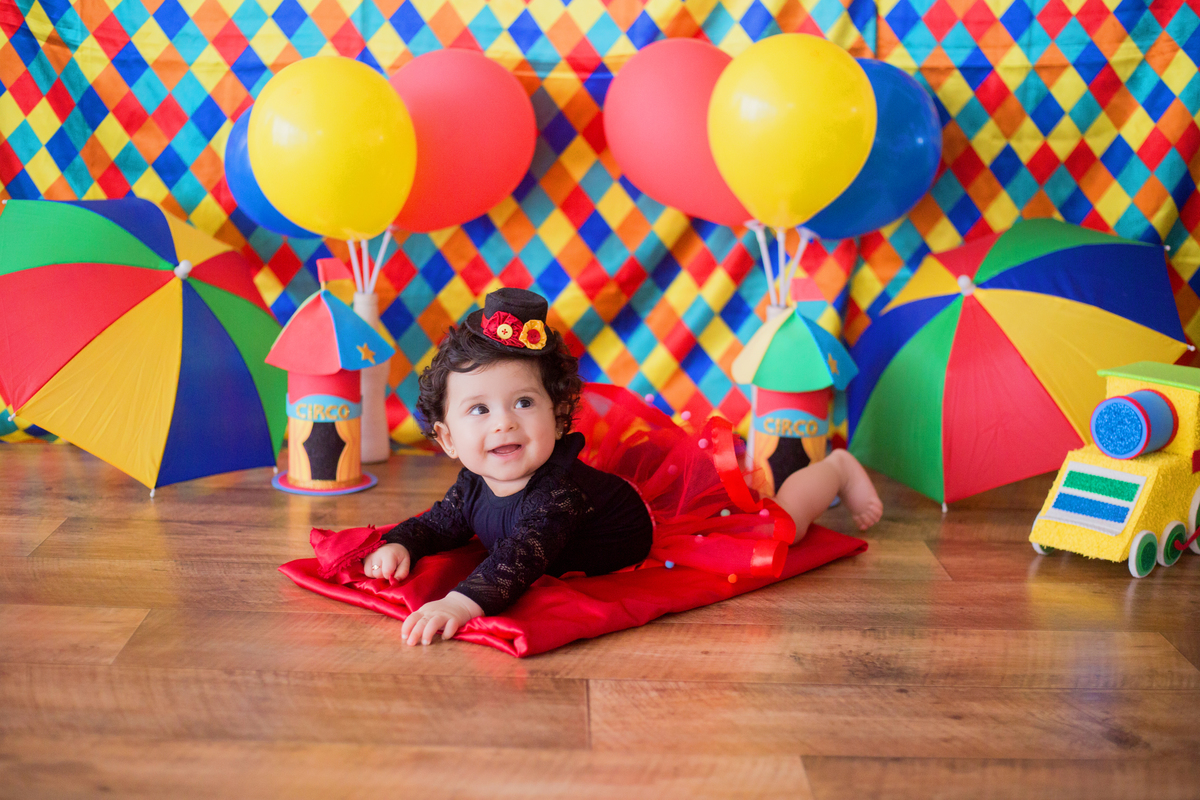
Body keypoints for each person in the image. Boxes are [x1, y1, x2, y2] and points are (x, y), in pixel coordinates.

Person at [362, 288, 882, 646]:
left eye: (523, 403)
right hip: (618, 493)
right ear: (447, 439)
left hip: (662, 521)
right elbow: (440, 521)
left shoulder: (555, 495)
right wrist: (404, 542)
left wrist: (459, 604)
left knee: (776, 522)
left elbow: (520, 557)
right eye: (479, 409)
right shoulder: (473, 481)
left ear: (559, 414)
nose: (504, 425)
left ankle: (835, 468)